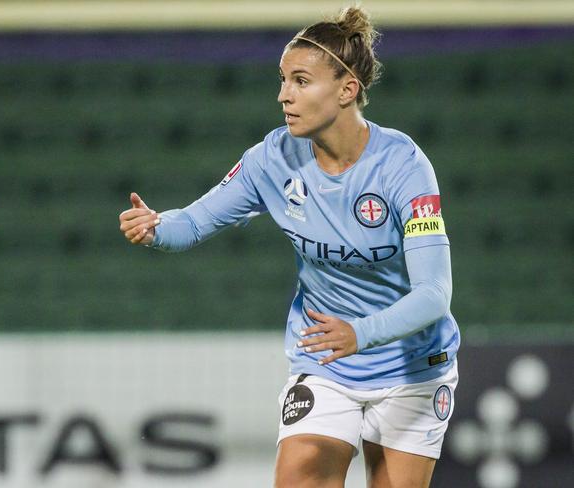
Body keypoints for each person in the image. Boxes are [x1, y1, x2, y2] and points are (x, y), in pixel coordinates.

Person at [119, 6, 460, 488]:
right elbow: (194, 222)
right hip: (325, 361)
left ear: (347, 90)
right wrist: (157, 226)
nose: (284, 95)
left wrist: (360, 333)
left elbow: (434, 294)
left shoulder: (402, 166)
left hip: (412, 366)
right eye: (282, 80)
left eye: (300, 81)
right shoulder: (272, 158)